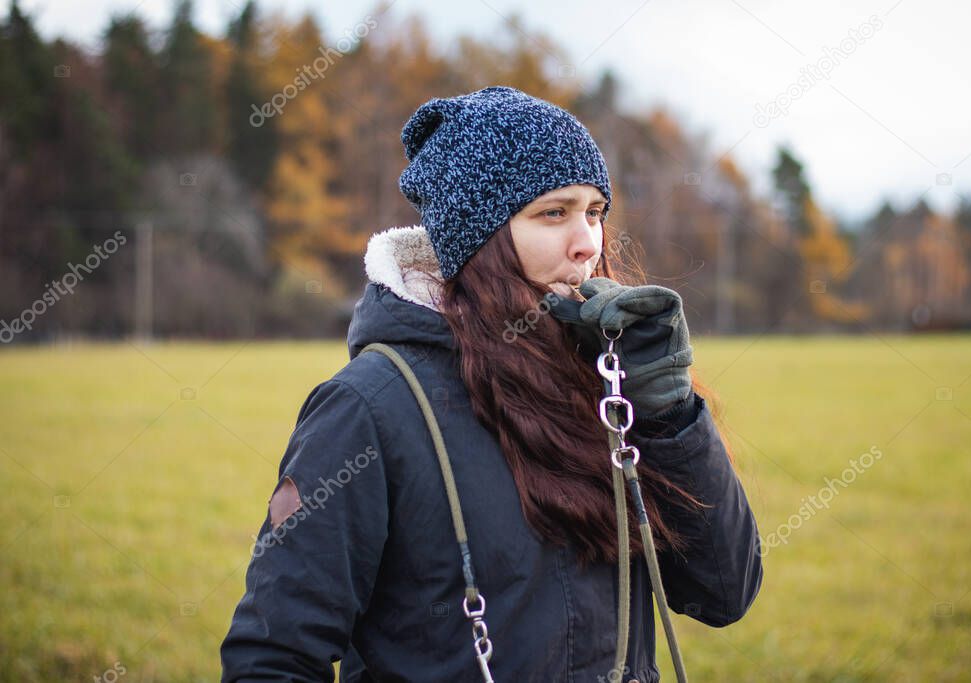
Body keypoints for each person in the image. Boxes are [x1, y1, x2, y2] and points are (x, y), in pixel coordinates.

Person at [220, 85, 763, 682]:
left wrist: (666, 407)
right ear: (475, 239)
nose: (588, 242)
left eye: (595, 211)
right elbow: (271, 659)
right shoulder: (368, 408)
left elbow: (724, 592)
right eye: (553, 212)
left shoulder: (605, 386)